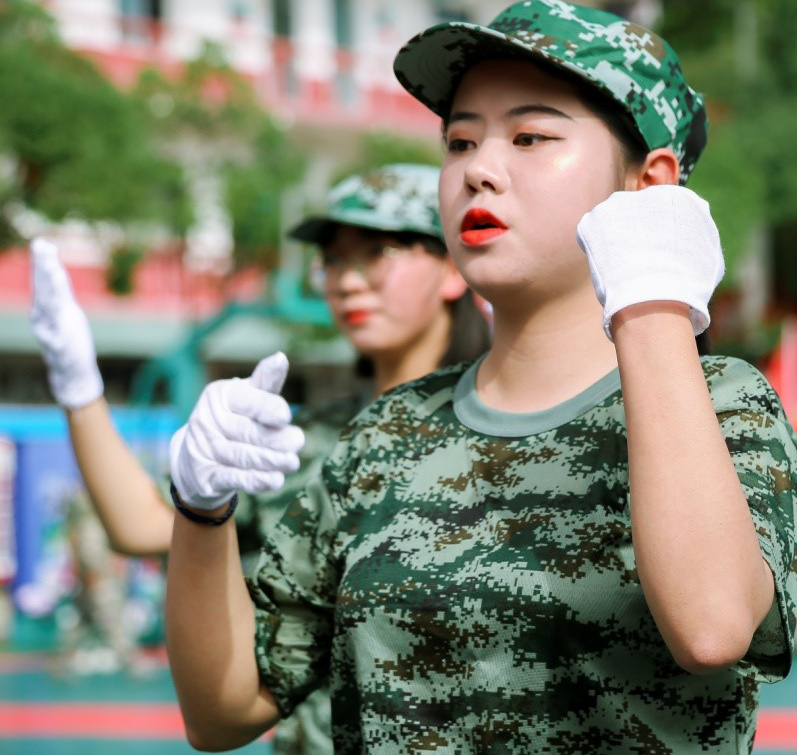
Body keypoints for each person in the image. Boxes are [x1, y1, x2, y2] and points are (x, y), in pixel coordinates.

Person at [162, 0, 797, 753]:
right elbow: (224, 709)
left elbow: (712, 629)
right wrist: (200, 514)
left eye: (530, 137)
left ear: (650, 182)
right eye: (460, 142)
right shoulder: (387, 434)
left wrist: (653, 300)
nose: (479, 171)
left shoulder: (724, 404)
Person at [28, 164, 489, 753]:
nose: (347, 281)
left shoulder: (505, 434)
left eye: (379, 252)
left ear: (452, 268)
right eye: (332, 259)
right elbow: (139, 526)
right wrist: (78, 386)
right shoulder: (306, 441)